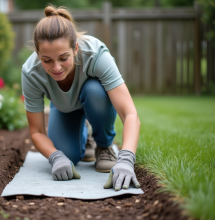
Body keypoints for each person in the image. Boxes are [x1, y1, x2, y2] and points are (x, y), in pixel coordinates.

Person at [21, 5, 141, 191]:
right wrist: (56, 157)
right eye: (47, 60)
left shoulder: (95, 54)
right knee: (68, 156)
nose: (57, 67)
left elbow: (129, 113)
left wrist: (126, 159)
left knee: (94, 90)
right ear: (37, 54)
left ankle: (103, 145)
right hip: (63, 107)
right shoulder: (31, 72)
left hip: (95, 98)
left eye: (63, 57)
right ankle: (86, 139)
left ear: (75, 48)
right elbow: (36, 131)